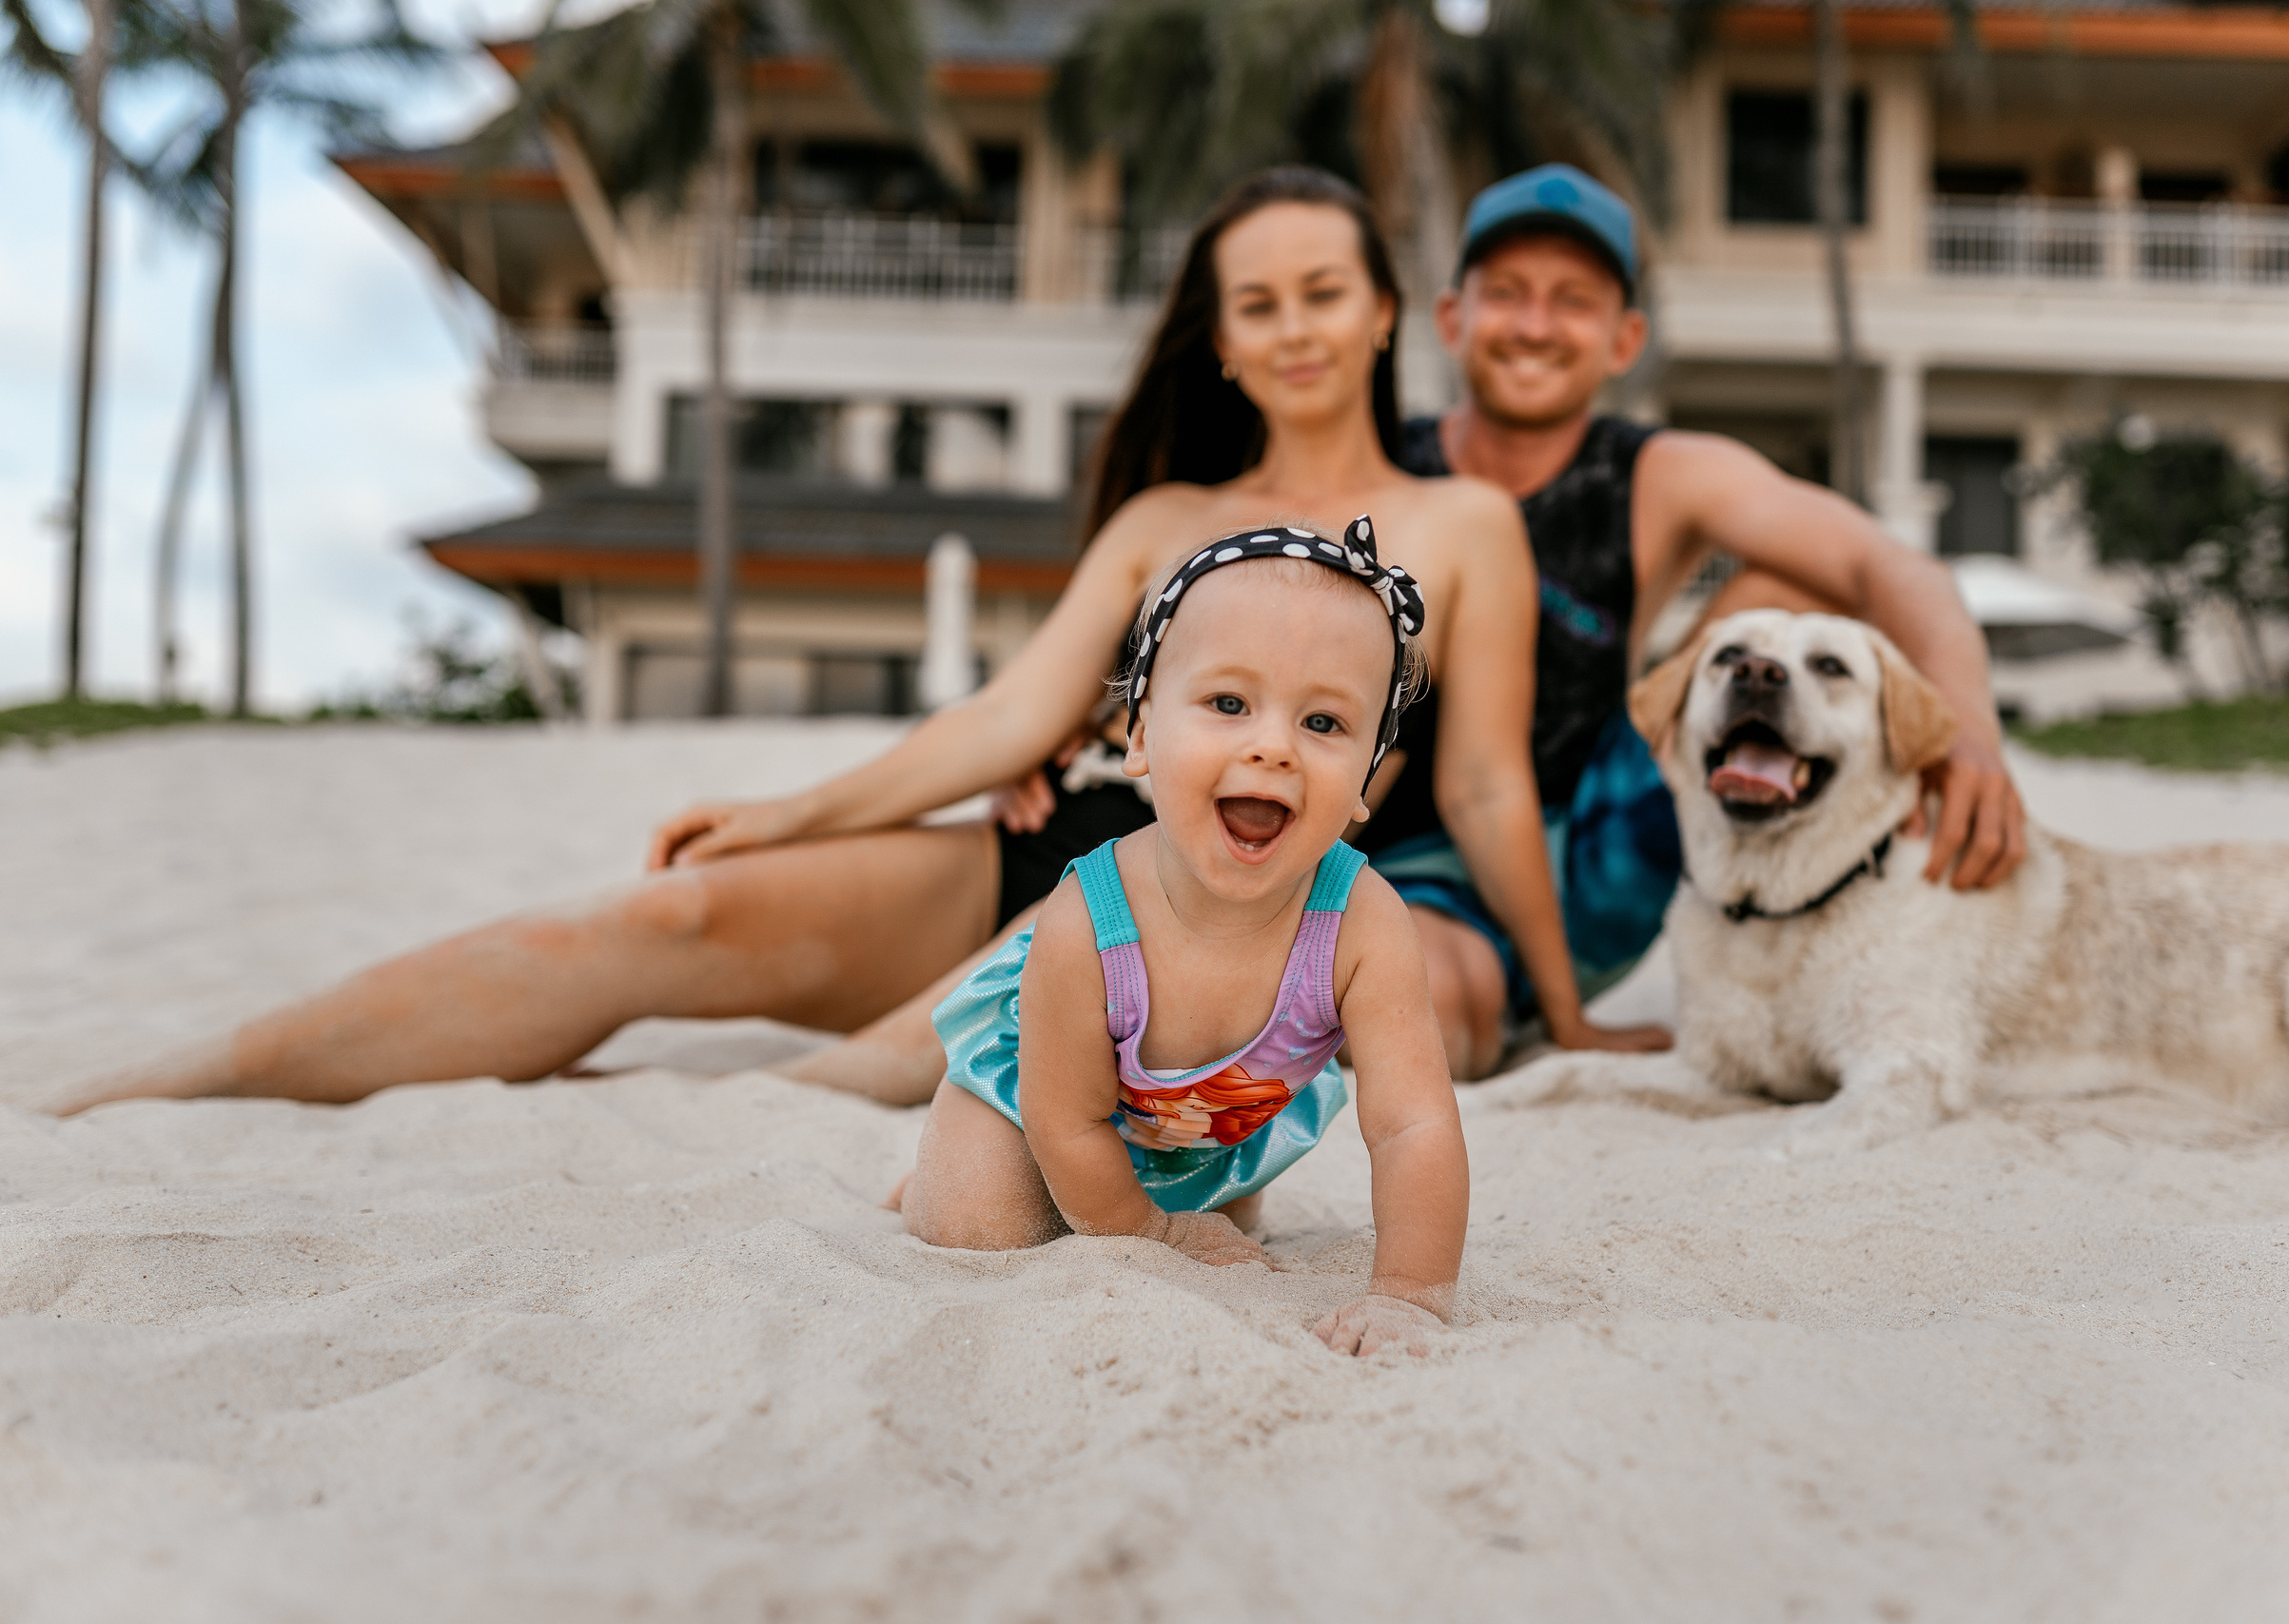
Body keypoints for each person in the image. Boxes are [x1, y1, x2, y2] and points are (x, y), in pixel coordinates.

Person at [54, 165, 1642, 1119]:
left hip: (1235, 896)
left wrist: (1562, 1010)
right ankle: (182, 1081)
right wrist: (790, 812)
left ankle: (753, 1108)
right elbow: (1009, 719)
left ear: (1385, 311)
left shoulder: (1461, 527)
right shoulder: (1165, 517)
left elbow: (1484, 785)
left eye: (1324, 292)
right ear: (1221, 340)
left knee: (861, 1074)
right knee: (668, 917)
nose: (1295, 328)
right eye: (1259, 303)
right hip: (1063, 840)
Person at [1365, 164, 2029, 1074]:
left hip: (1596, 838)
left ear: (1624, 338)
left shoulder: (1660, 474)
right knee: (1423, 1012)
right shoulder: (1380, 461)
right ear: (1451, 318)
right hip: (1402, 841)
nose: (1535, 324)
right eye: (1507, 293)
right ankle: (1448, 970)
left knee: (1793, 584)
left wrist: (1968, 733)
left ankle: (1841, 915)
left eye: (1572, 300)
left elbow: (1891, 567)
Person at [901, 524, 1465, 1358]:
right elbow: (1068, 1122)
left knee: (1222, 1225)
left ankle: (1166, 1201)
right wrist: (1152, 1234)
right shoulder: (1086, 918)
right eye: (1228, 704)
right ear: (1140, 736)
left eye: (1323, 721)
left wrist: (1410, 1293)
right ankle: (928, 1174)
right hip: (1040, 1103)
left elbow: (1414, 1125)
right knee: (977, 1221)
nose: (1272, 746)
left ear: (1366, 780)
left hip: (1202, 1133)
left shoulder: (1364, 923)